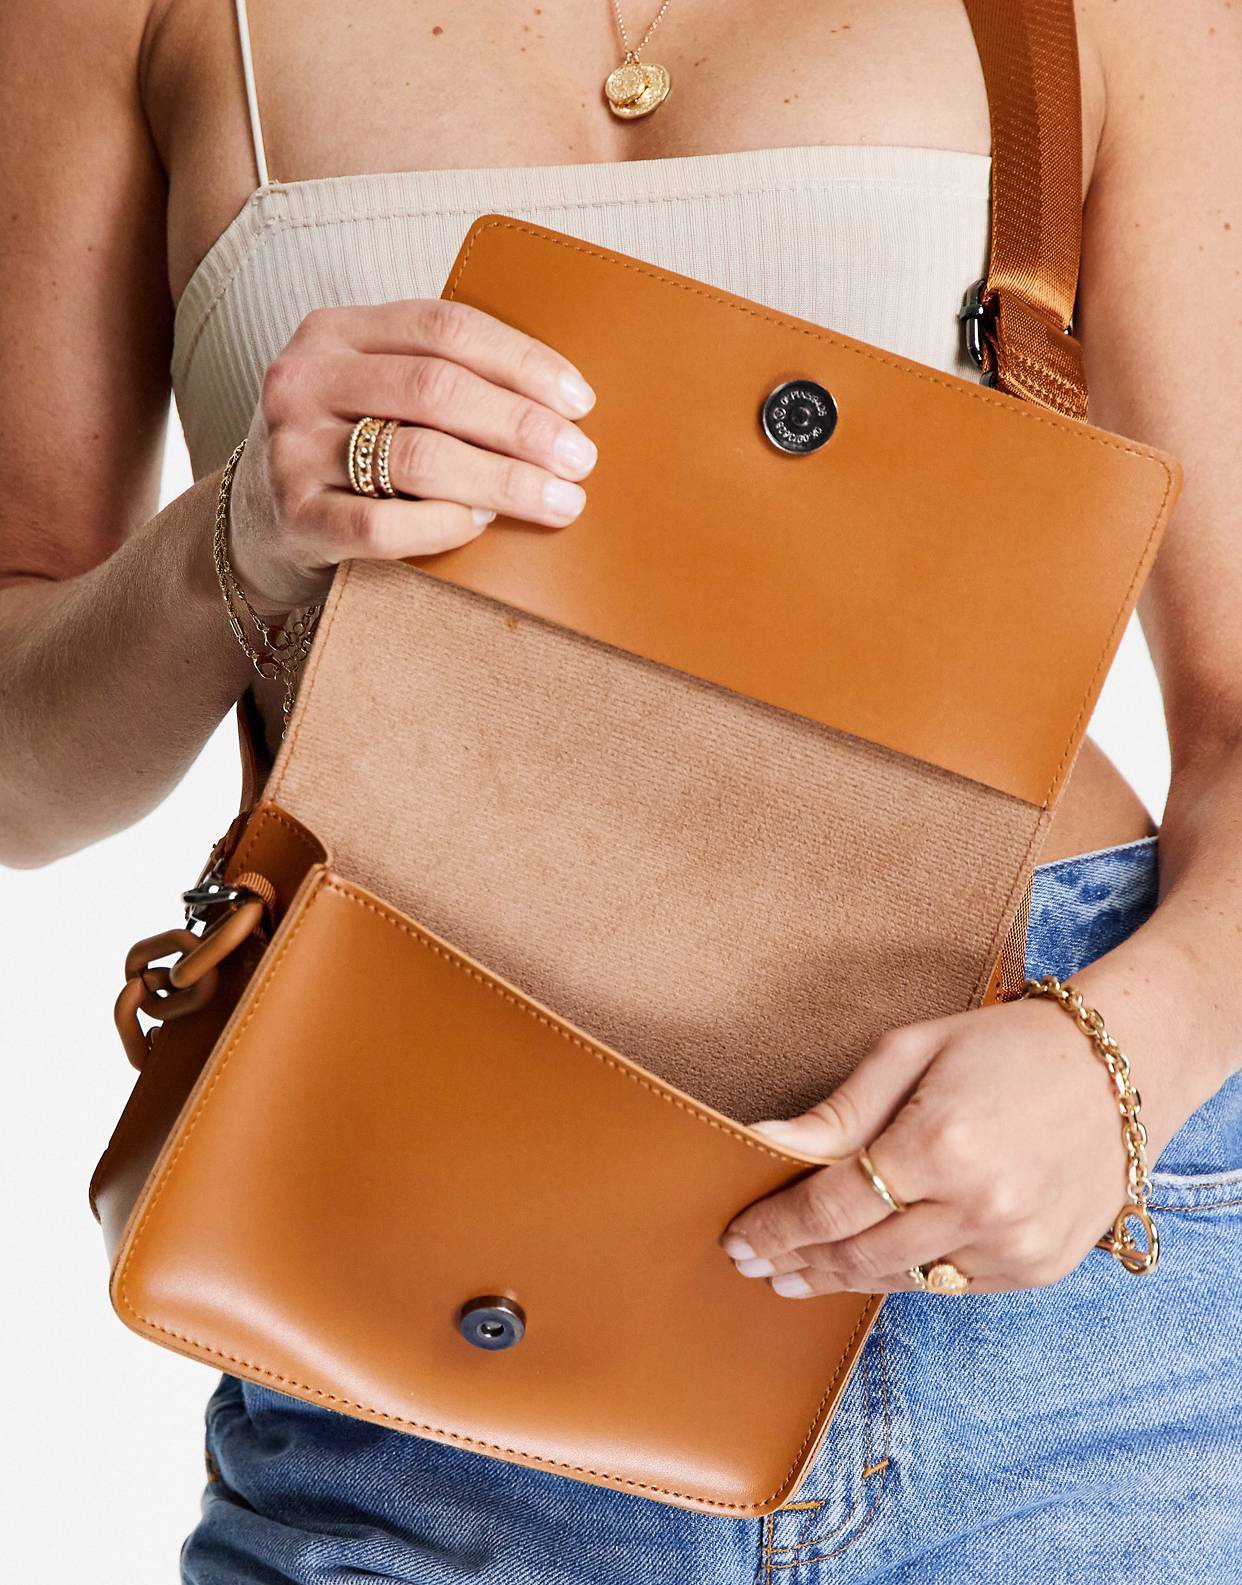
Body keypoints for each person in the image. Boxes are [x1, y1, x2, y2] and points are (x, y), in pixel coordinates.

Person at [2, 1, 1239, 1579]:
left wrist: (1117, 1066)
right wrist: (227, 536)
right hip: (417, 1238)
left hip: (1056, 1243)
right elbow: (19, 776)